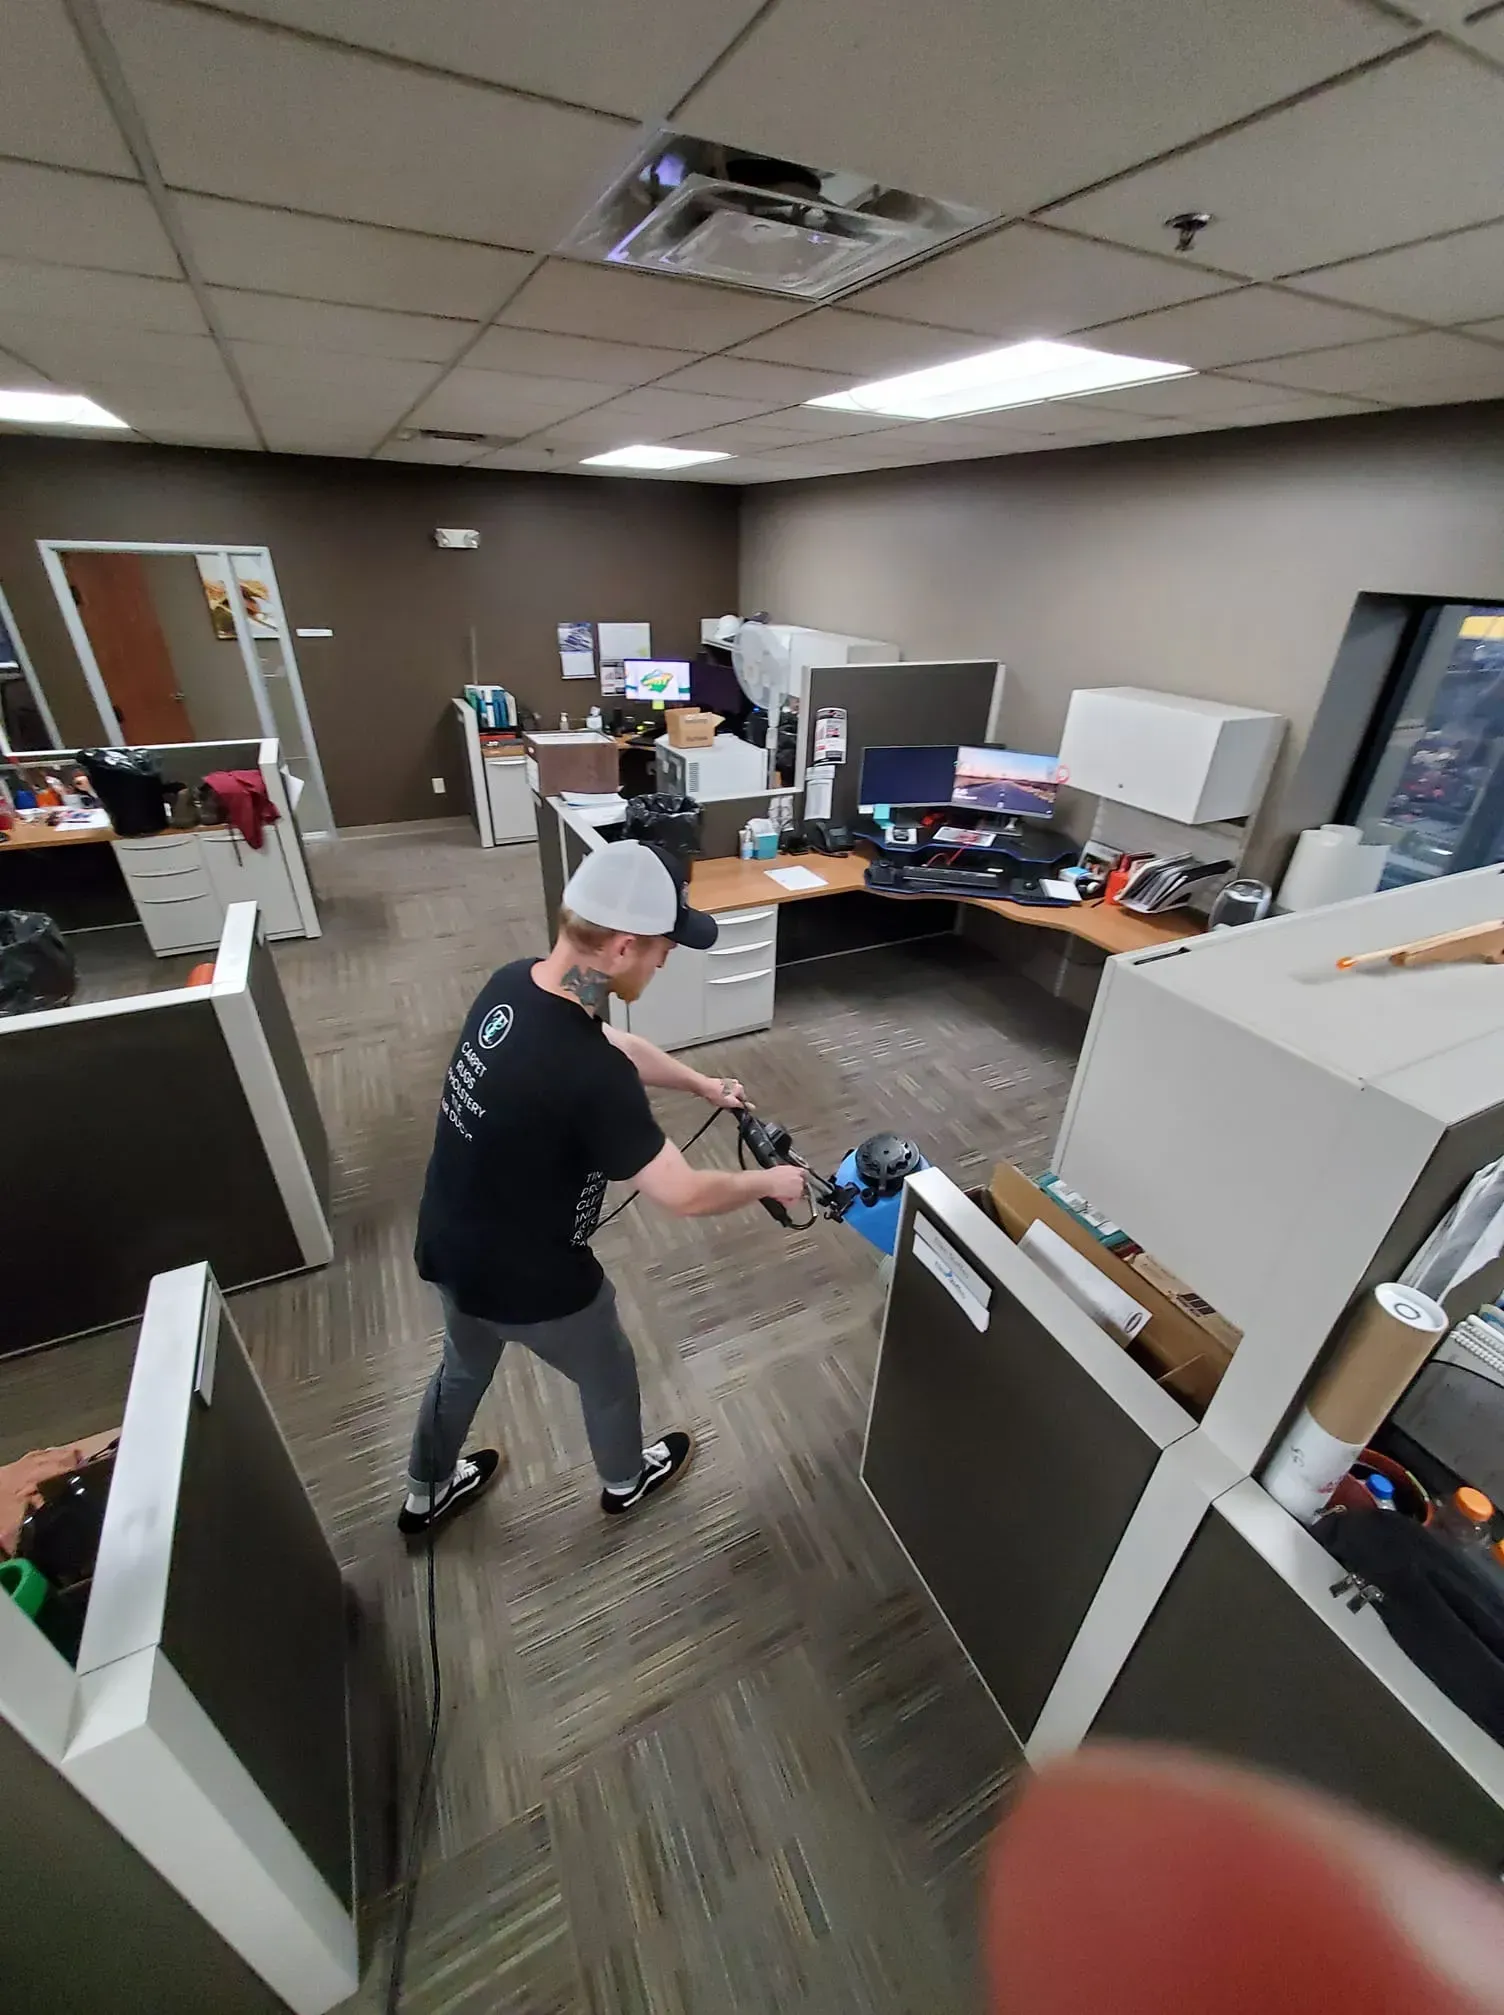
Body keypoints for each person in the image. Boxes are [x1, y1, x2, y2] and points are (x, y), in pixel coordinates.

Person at [399, 839, 806, 1537]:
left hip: (448, 1242)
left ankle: (423, 1491)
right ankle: (626, 1479)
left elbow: (611, 1043)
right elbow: (680, 1192)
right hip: (534, 1280)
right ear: (621, 947)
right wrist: (773, 1180)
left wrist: (701, 1082)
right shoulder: (589, 1077)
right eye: (661, 948)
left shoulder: (516, 984)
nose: (665, 960)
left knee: (461, 1367)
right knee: (610, 1367)